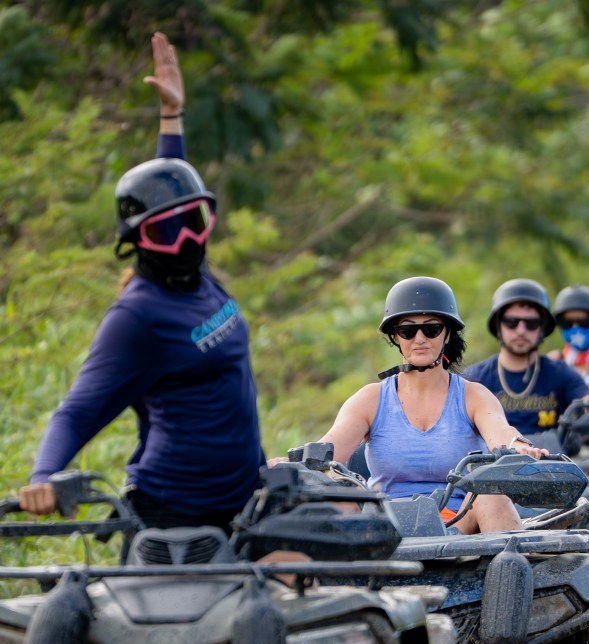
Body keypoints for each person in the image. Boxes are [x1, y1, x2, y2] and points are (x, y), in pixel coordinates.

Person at [18, 33, 266, 532]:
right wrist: (44, 474)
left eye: (195, 221)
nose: (186, 240)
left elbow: (170, 185)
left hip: (245, 502)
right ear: (137, 241)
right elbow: (79, 410)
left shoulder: (201, 276)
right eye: (166, 233)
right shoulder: (137, 315)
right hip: (173, 517)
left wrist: (171, 117)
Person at [272, 276, 549, 535]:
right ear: (395, 337)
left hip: (456, 520)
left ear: (448, 334)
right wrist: (285, 463)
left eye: (431, 329)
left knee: (493, 496)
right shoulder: (370, 399)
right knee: (334, 495)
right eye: (407, 330)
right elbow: (326, 453)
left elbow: (500, 431)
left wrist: (518, 446)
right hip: (384, 524)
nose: (419, 339)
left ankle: (515, 579)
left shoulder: (473, 395)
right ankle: (324, 584)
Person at [462, 279, 589, 437]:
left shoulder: (562, 374)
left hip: (552, 459)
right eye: (511, 322)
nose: (521, 330)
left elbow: (587, 406)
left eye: (531, 323)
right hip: (492, 460)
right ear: (498, 325)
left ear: (542, 327)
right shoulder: (474, 378)